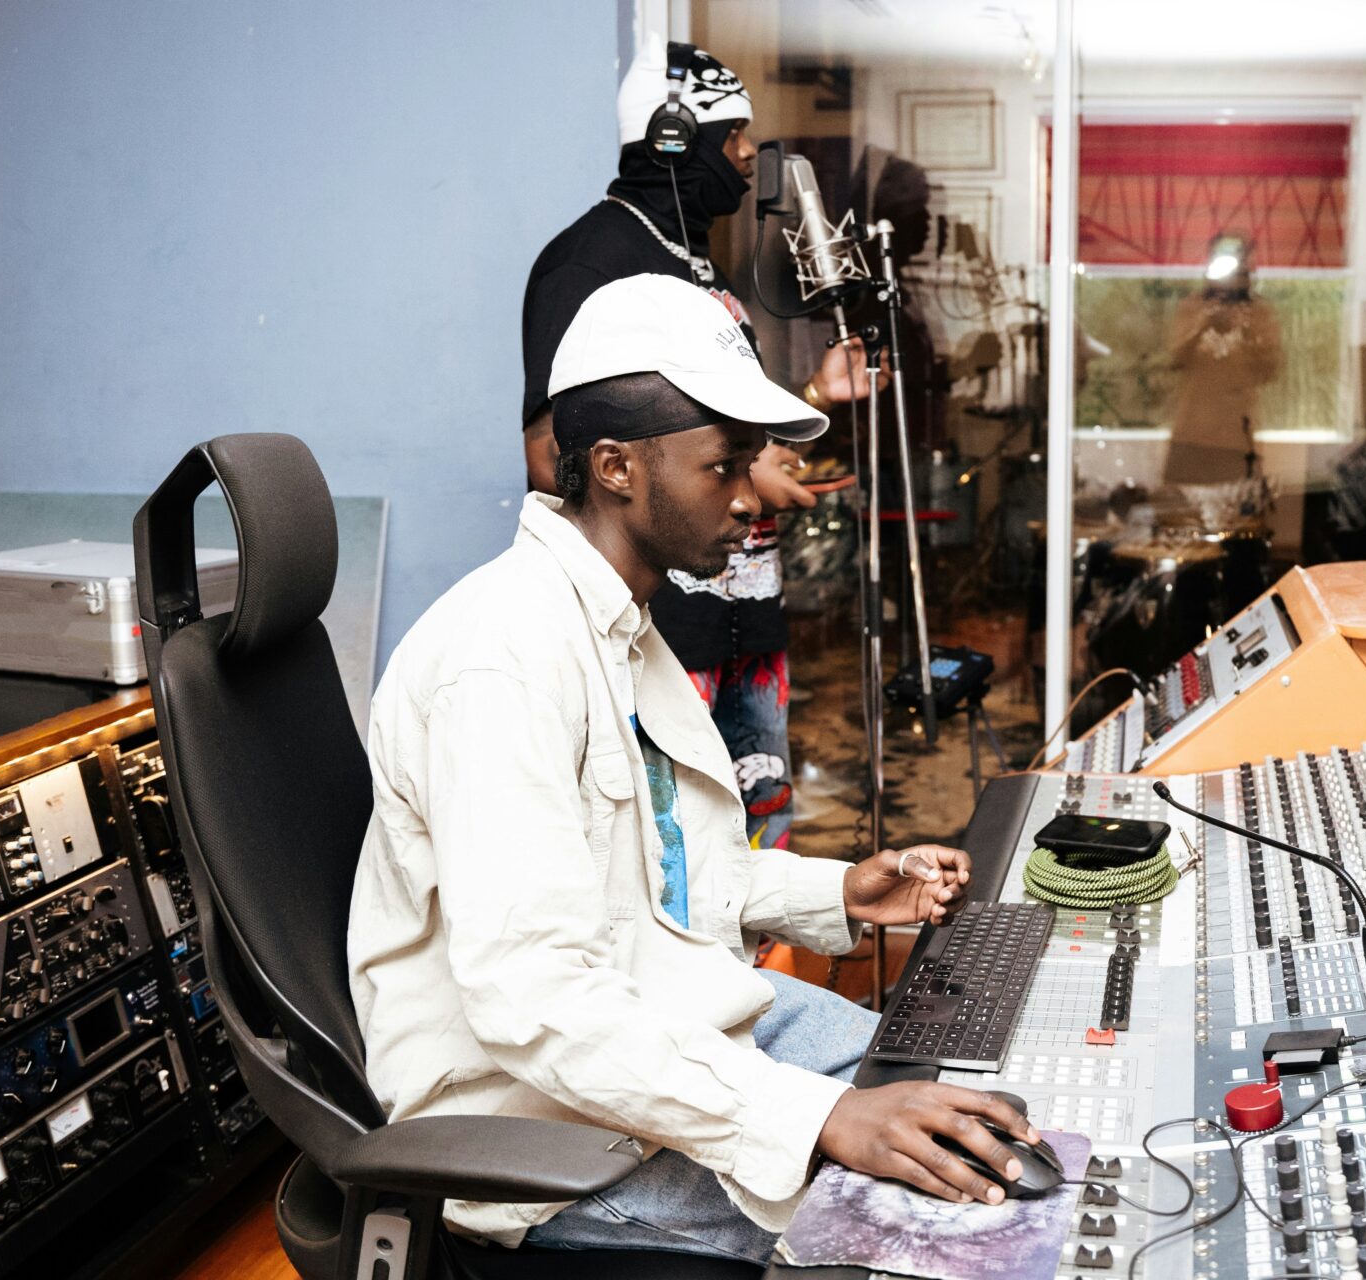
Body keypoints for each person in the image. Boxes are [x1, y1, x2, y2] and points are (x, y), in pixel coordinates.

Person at [351, 275, 1038, 1264]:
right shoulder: (499, 662)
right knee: (921, 1219)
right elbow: (535, 999)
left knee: (965, 1092)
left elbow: (668, 878)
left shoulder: (621, 628)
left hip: (659, 1020)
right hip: (537, 1117)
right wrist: (818, 1119)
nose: (750, 496)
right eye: (723, 467)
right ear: (617, 466)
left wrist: (838, 892)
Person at [519, 41, 873, 850]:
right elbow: (551, 453)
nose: (748, 155)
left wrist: (812, 399)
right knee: (670, 856)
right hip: (665, 625)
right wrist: (732, 479)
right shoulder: (590, 261)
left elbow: (714, 432)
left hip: (745, 614)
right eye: (733, 133)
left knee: (755, 845)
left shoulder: (695, 259)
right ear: (673, 135)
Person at [1162, 232, 1282, 489]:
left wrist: (1247, 330)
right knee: (1181, 504)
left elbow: (1270, 370)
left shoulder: (1260, 313)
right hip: (1192, 429)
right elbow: (1174, 360)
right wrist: (1202, 325)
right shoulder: (1192, 307)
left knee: (1239, 505)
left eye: (1239, 264)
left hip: (1236, 434)